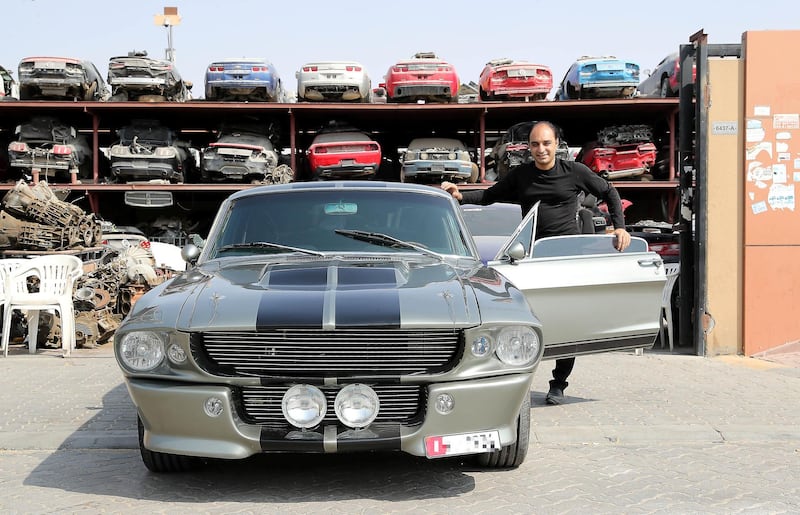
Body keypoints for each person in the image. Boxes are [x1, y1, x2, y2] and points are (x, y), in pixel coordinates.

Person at [441, 120, 631, 405]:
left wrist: (620, 226)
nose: (541, 149)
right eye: (534, 144)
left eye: (546, 143)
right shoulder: (521, 176)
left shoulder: (575, 172)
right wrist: (460, 195)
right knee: (528, 319)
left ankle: (558, 384)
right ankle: (517, 379)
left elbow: (609, 191)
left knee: (567, 319)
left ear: (556, 145)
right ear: (529, 148)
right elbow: (490, 196)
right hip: (532, 256)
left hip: (566, 256)